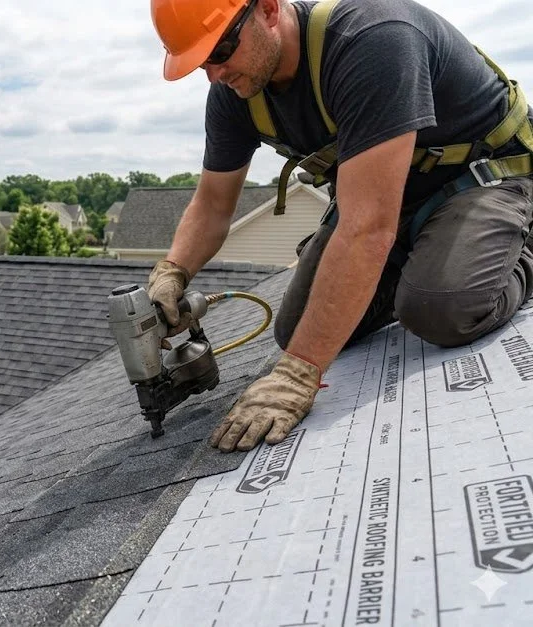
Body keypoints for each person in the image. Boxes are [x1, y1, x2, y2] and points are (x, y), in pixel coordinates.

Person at [146, 0, 533, 453]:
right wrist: (173, 270)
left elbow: (367, 229)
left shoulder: (373, 40)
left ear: (269, 9)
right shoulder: (238, 93)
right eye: (200, 62)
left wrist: (297, 373)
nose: (215, 73)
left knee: (439, 309)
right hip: (387, 201)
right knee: (298, 330)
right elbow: (212, 205)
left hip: (482, 180)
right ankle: (432, 260)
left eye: (222, 49)